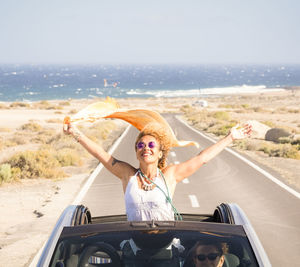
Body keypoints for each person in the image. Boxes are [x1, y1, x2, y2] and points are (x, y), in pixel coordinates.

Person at [63, 119, 252, 221]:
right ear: (136, 153)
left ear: (161, 153)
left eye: (152, 144)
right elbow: (100, 153)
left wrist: (230, 138)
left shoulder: (169, 176)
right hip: (135, 249)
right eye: (140, 146)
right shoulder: (127, 175)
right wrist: (75, 132)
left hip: (167, 248)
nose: (146, 148)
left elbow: (201, 158)